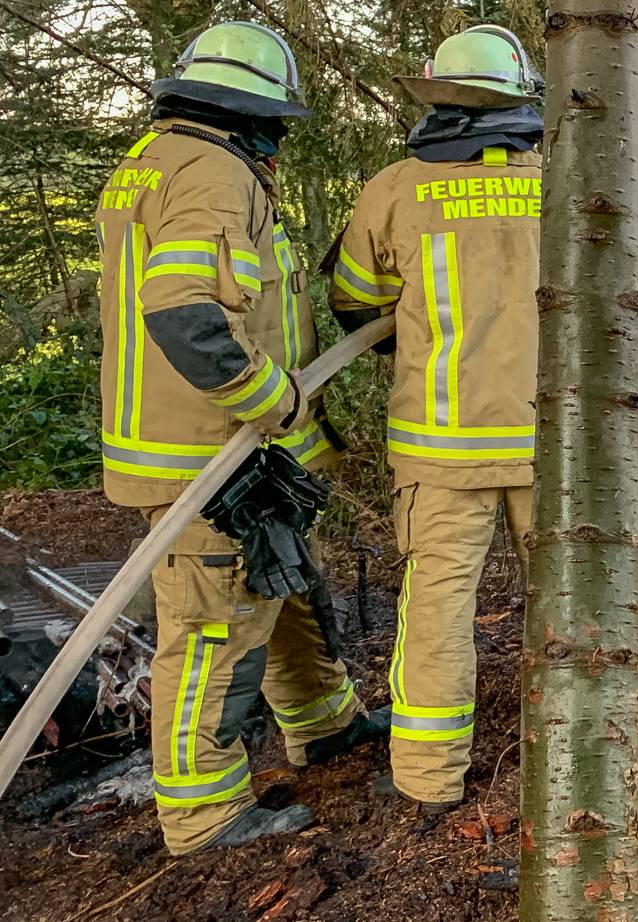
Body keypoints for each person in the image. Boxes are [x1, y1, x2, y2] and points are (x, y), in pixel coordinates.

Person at [95, 20, 383, 855]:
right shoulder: (215, 175)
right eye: (277, 126)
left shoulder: (155, 161)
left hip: (200, 446)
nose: (279, 145)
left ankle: (324, 725)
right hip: (209, 456)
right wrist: (273, 401)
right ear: (252, 117)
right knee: (214, 632)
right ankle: (205, 815)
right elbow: (185, 312)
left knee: (277, 584)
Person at [326, 24, 542, 814]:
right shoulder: (564, 180)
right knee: (569, 605)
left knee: (437, 615)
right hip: (556, 448)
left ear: (438, 97)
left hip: (442, 450)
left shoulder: (395, 189)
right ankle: (573, 759)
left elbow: (355, 302)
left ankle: (428, 779)